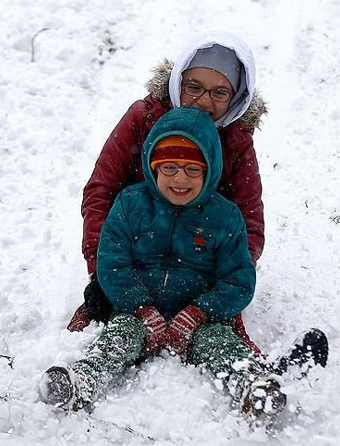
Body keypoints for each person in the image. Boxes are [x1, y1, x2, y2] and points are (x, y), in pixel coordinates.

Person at [39, 107, 286, 423]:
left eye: (193, 170)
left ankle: (252, 384)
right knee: (120, 335)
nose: (180, 178)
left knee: (220, 343)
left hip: (199, 319)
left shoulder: (225, 217)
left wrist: (199, 313)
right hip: (137, 312)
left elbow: (239, 279)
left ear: (210, 170)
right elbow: (112, 263)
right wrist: (140, 307)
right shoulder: (130, 204)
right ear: (152, 166)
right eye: (169, 167)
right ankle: (82, 380)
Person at [69, 31, 266, 354]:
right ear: (178, 82)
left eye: (219, 92)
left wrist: (224, 284)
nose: (204, 101)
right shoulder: (144, 119)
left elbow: (249, 221)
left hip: (199, 259)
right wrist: (101, 268)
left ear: (236, 98)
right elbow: (101, 191)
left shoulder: (236, 140)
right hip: (139, 250)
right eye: (194, 87)